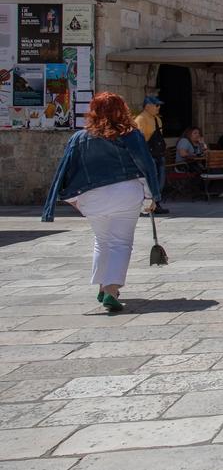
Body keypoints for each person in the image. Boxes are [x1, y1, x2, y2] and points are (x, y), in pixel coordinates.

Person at [44, 93, 161, 312]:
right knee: (120, 242)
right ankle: (110, 290)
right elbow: (146, 165)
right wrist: (151, 195)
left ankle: (101, 286)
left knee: (102, 240)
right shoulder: (130, 135)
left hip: (91, 197)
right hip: (126, 193)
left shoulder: (79, 138)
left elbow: (66, 170)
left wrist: (72, 199)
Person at [133, 95, 169, 214]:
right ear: (148, 106)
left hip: (158, 154)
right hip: (148, 155)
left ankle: (157, 202)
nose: (159, 107)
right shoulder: (140, 119)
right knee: (150, 179)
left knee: (160, 179)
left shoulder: (157, 119)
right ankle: (149, 204)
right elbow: (139, 140)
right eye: (156, 105)